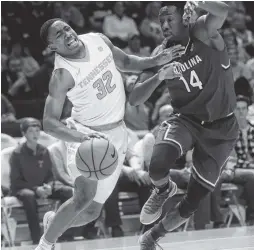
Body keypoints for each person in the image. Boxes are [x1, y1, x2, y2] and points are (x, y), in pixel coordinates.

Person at [35, 18, 182, 250]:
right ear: (53, 47)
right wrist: (81, 138)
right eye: (59, 35)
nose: (67, 34)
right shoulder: (61, 75)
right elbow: (49, 123)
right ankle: (44, 245)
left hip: (117, 133)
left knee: (92, 212)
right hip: (86, 136)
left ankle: (54, 223)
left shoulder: (97, 40)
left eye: (66, 28)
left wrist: (155, 60)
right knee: (83, 197)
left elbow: (126, 61)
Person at [128, 2, 239, 249]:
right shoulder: (161, 52)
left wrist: (199, 1)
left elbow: (223, 11)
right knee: (156, 166)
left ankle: (152, 237)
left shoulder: (201, 31)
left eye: (170, 19)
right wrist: (159, 76)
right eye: (161, 20)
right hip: (187, 120)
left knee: (192, 201)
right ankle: (162, 190)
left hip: (222, 129)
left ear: (185, 17)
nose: (165, 25)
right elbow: (134, 98)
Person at [9, 118, 73, 244]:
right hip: (24, 189)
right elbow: (16, 181)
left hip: (43, 187)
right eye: (31, 131)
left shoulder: (44, 150)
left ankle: (66, 234)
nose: (35, 134)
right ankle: (37, 237)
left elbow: (50, 175)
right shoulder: (16, 154)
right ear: (24, 133)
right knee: (29, 196)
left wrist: (49, 186)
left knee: (68, 192)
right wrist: (36, 189)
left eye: (37, 130)